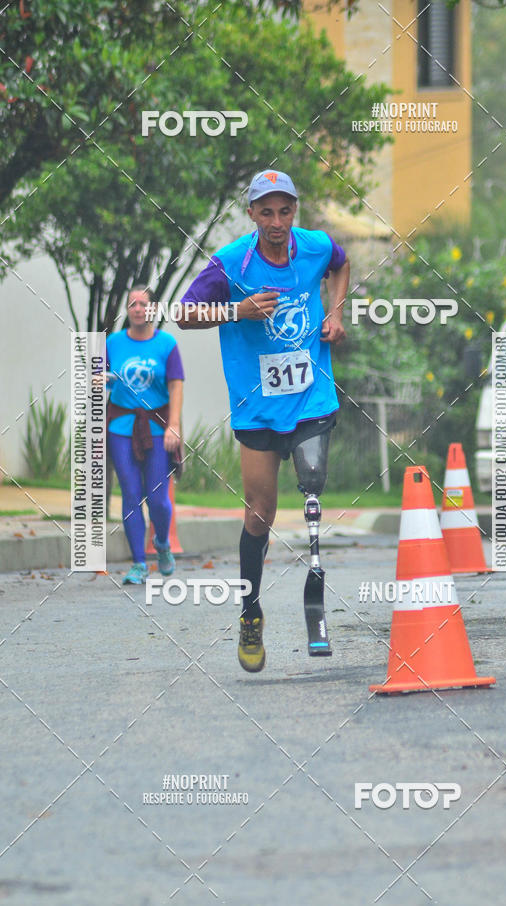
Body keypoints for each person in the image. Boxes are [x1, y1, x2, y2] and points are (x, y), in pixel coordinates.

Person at [178, 169, 349, 672]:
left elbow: (340, 263)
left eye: (285, 210)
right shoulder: (231, 262)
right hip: (256, 407)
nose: (277, 221)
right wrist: (238, 310)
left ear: (295, 211)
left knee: (312, 482)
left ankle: (316, 599)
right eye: (267, 211)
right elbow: (185, 314)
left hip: (311, 397)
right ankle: (250, 611)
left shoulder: (315, 246)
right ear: (251, 213)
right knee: (260, 512)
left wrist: (336, 313)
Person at [106, 285, 185, 584]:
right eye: (132, 304)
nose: (138, 309)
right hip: (121, 427)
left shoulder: (167, 344)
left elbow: (176, 385)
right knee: (130, 494)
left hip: (156, 427)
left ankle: (162, 542)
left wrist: (173, 425)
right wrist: (100, 380)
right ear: (127, 310)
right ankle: (138, 563)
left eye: (143, 304)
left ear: (152, 309)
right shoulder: (113, 342)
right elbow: (104, 379)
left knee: (158, 499)